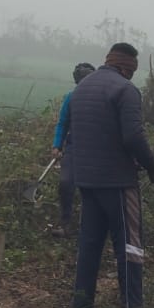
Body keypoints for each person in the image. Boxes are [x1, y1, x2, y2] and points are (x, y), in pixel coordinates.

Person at [63, 42, 154, 308]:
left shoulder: (81, 89)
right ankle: (133, 305)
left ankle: (81, 305)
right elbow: (133, 136)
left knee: (89, 243)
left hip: (86, 180)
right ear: (125, 67)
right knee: (130, 243)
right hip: (118, 182)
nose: (132, 75)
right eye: (132, 70)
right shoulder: (125, 89)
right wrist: (153, 169)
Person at [51, 61, 96, 237]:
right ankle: (65, 223)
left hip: (95, 151)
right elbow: (63, 123)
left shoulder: (101, 99)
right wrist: (57, 145)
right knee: (65, 183)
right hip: (73, 148)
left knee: (91, 189)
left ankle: (90, 226)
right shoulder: (71, 98)